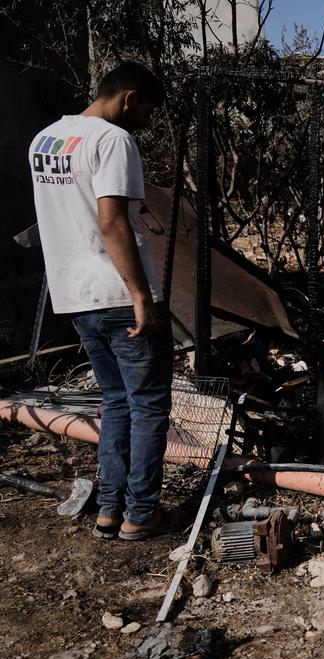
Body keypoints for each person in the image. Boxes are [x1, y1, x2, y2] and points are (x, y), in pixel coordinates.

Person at [28, 61, 172, 540]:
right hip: (118, 294)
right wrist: (140, 296)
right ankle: (140, 513)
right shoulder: (113, 141)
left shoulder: (44, 140)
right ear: (129, 98)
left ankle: (109, 510)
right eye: (147, 111)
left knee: (115, 403)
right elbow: (110, 222)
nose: (147, 123)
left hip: (75, 297)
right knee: (148, 406)